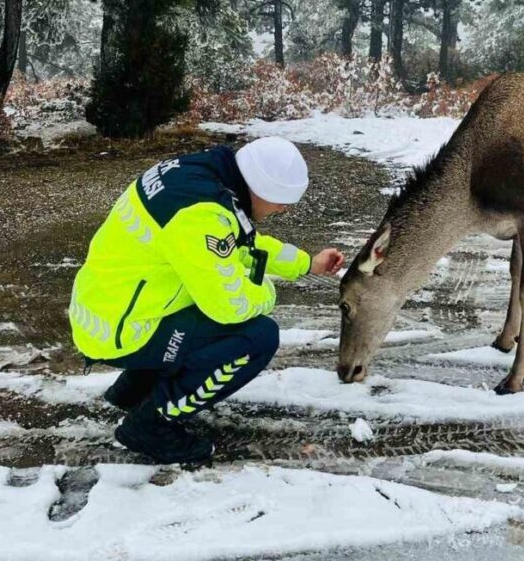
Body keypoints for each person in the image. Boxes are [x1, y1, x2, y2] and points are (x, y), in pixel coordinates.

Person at [68, 137, 344, 464]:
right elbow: (229, 306)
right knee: (256, 336)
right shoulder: (201, 216)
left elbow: (241, 244)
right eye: (282, 202)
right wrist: (267, 293)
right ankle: (151, 424)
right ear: (263, 189)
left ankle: (133, 391)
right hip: (123, 331)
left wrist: (306, 263)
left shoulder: (201, 178)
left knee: (203, 296)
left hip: (108, 309)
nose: (284, 210)